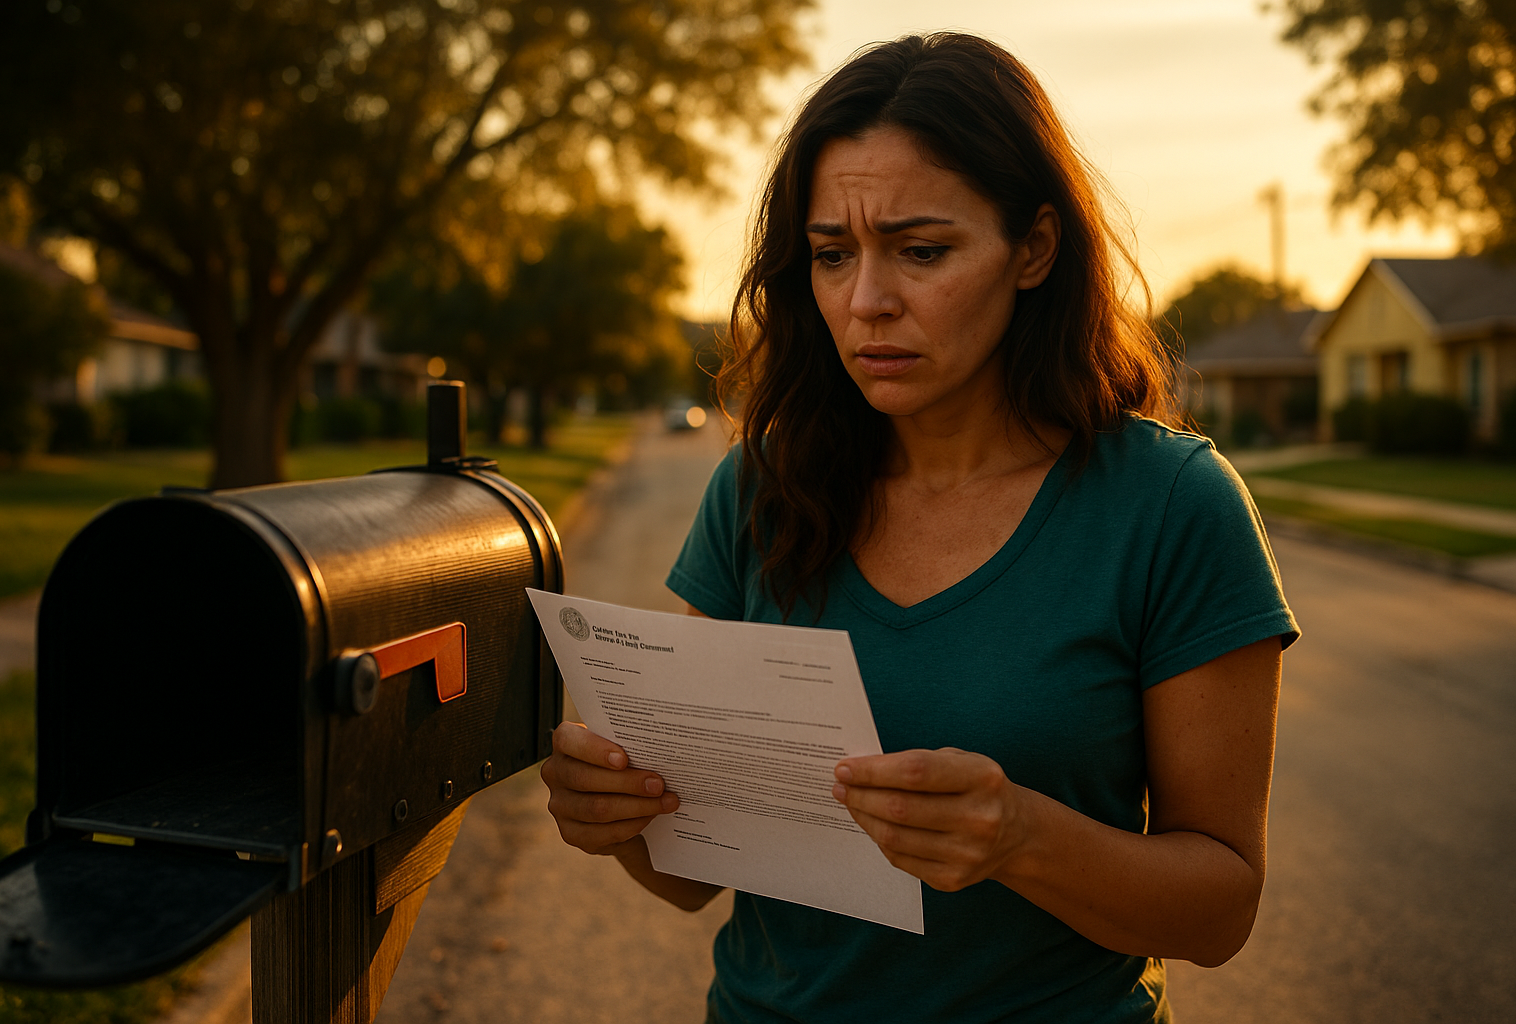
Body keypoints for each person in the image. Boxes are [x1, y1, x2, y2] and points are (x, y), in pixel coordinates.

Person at [540, 32, 1299, 1024]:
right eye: (830, 255)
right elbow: (694, 877)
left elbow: (1220, 909)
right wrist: (623, 820)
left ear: (1033, 248)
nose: (866, 302)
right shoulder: (760, 487)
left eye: (921, 250)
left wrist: (1021, 837)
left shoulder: (1172, 506)